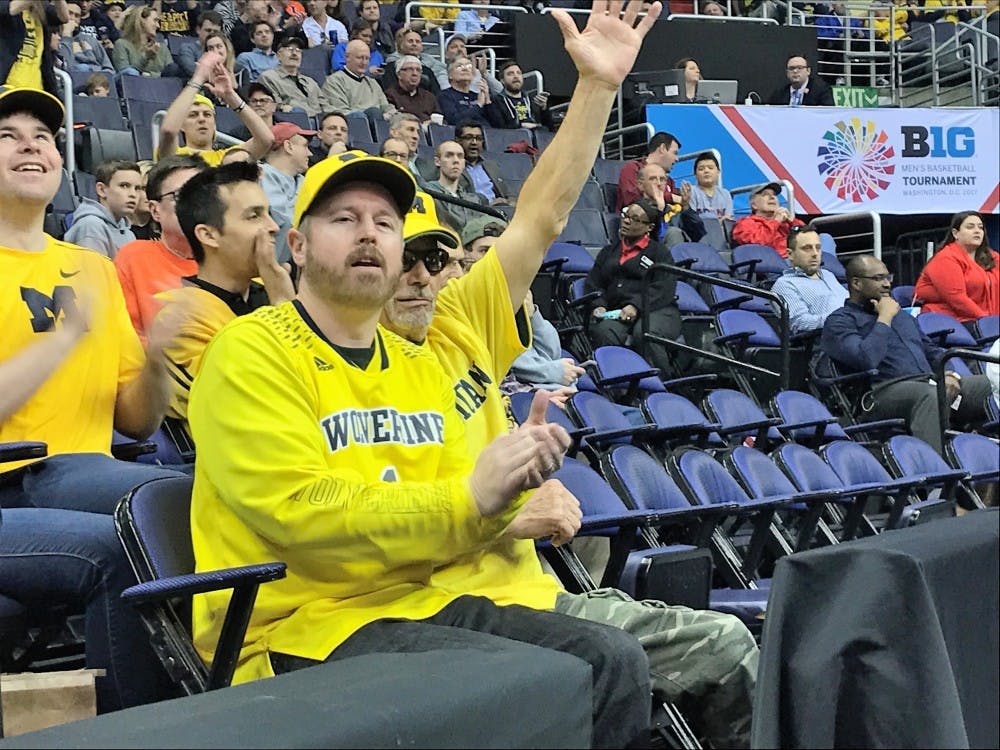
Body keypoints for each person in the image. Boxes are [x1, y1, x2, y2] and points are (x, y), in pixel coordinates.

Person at [377, 6, 759, 743]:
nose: (423, 277)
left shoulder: (460, 320)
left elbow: (541, 217)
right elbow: (360, 520)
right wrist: (503, 513)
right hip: (438, 617)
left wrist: (595, 87)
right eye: (404, 261)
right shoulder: (332, 365)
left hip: (527, 594)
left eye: (437, 259)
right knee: (658, 660)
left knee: (730, 646)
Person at [186, 151, 652, 750]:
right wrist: (476, 499)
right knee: (528, 687)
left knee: (609, 658)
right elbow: (298, 508)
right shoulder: (249, 351)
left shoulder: (414, 363)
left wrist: (514, 484)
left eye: (385, 223)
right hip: (300, 626)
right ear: (297, 246)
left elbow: (463, 498)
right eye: (344, 219)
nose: (368, 234)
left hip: (419, 603)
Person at [0, 85, 184, 713]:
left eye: (44, 138)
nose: (31, 146)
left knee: (216, 491)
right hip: (13, 479)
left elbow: (133, 420)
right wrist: (63, 338)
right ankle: (139, 729)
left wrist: (158, 357)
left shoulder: (92, 268)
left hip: (86, 471)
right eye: (7, 136)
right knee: (130, 539)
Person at [155, 161, 293, 434]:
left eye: (268, 213)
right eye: (254, 216)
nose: (273, 227)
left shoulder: (267, 294)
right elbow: (251, 406)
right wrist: (284, 306)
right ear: (208, 235)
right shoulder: (177, 317)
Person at [821, 256, 992, 454]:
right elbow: (866, 359)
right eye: (878, 278)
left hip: (927, 382)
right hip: (880, 393)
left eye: (887, 277)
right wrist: (884, 318)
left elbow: (931, 350)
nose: (887, 284)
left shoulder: (901, 315)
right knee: (928, 396)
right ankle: (937, 478)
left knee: (989, 385)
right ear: (856, 283)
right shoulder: (840, 321)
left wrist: (949, 374)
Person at [114, 155, 208, 342]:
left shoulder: (232, 259)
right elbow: (126, 341)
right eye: (181, 195)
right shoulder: (134, 258)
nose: (195, 203)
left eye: (203, 193)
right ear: (155, 210)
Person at [585, 199, 681, 366]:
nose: (627, 221)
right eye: (626, 216)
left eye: (635, 219)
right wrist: (598, 304)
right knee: (604, 331)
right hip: (617, 311)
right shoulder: (608, 252)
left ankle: (658, 387)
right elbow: (594, 283)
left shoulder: (659, 253)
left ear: (649, 227)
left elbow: (663, 288)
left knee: (645, 333)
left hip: (658, 309)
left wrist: (636, 305)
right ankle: (617, 388)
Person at [158, 50, 274, 165]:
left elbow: (265, 140)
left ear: (214, 124)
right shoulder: (175, 154)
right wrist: (199, 77)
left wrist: (230, 95)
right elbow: (168, 131)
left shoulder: (227, 158)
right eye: (193, 115)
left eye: (207, 114)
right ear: (181, 126)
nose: (202, 119)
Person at [913, 211, 999, 324]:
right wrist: (988, 321)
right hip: (953, 320)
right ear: (955, 233)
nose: (977, 231)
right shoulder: (945, 259)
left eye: (980, 227)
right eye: (970, 227)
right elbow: (957, 299)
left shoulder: (993, 257)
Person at [770, 225, 848, 335]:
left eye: (818, 247)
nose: (815, 254)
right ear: (790, 254)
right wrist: (843, 318)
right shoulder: (784, 284)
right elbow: (799, 323)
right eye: (807, 248)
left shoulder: (828, 275)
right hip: (828, 340)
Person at [260, 121, 316, 262]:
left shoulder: (303, 181)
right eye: (305, 146)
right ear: (288, 146)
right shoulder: (262, 175)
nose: (310, 153)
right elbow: (284, 222)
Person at [64, 159, 141, 259]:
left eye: (137, 188)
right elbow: (93, 273)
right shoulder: (91, 226)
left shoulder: (129, 233)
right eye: (124, 186)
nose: (133, 194)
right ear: (101, 190)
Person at [320, 39, 396, 122]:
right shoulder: (334, 81)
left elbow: (385, 106)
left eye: (367, 59)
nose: (364, 62)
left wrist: (390, 113)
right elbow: (340, 112)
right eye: (360, 58)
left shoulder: (372, 82)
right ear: (347, 57)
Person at [2, 0, 67, 95]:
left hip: (37, 86)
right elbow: (10, 9)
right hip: (8, 85)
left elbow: (63, 17)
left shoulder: (40, 9)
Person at [426, 139, 489, 230]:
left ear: (464, 163)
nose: (456, 160)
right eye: (449, 155)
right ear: (437, 161)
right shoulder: (428, 194)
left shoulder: (474, 200)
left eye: (460, 156)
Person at [731, 181, 804, 258]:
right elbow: (757, 246)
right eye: (765, 194)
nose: (772, 197)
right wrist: (775, 222)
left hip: (798, 257)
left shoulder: (785, 223)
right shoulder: (745, 223)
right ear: (754, 205)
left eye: (774, 195)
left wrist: (792, 221)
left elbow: (808, 237)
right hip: (774, 262)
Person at [258, 35, 325, 118]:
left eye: (298, 50)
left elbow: (325, 105)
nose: (294, 53)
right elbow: (275, 107)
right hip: (293, 123)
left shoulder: (310, 82)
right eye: (289, 49)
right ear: (278, 55)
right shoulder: (268, 77)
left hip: (320, 124)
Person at [616, 131, 681, 212]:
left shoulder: (669, 181)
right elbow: (631, 199)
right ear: (662, 148)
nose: (677, 159)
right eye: (675, 153)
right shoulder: (633, 168)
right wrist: (671, 198)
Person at [456, 121, 512, 206]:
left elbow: (507, 196)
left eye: (478, 138)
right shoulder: (453, 167)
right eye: (468, 138)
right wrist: (489, 205)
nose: (474, 142)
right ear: (458, 141)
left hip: (500, 211)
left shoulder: (492, 166)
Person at [111, 4, 175, 77]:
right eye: (155, 20)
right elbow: (125, 76)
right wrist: (146, 57)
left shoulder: (162, 48)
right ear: (141, 20)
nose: (158, 26)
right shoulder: (121, 44)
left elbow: (171, 75)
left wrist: (147, 75)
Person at [486, 60, 549, 130]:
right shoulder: (496, 102)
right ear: (502, 80)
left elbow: (549, 128)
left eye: (518, 73)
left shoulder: (532, 100)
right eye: (510, 74)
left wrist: (544, 108)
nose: (516, 76)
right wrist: (521, 125)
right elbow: (500, 129)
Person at [438, 56, 491, 128]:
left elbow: (497, 123)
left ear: (473, 74)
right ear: (450, 75)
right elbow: (454, 120)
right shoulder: (445, 95)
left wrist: (487, 99)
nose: (465, 68)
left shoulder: (477, 96)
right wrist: (478, 105)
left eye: (469, 66)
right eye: (459, 66)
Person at [384, 55, 440, 123]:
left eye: (418, 70)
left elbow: (441, 119)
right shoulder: (390, 95)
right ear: (399, 74)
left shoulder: (429, 97)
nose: (415, 73)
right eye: (410, 69)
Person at [766, 54, 834, 106]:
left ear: (808, 71)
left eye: (799, 68)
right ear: (787, 73)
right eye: (791, 68)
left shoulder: (821, 91)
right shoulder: (779, 93)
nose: (795, 71)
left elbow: (829, 115)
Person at [175, 9, 223, 79]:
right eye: (208, 30)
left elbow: (235, 67)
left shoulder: (223, 50)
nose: (212, 34)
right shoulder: (187, 48)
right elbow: (191, 69)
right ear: (198, 30)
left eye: (215, 31)